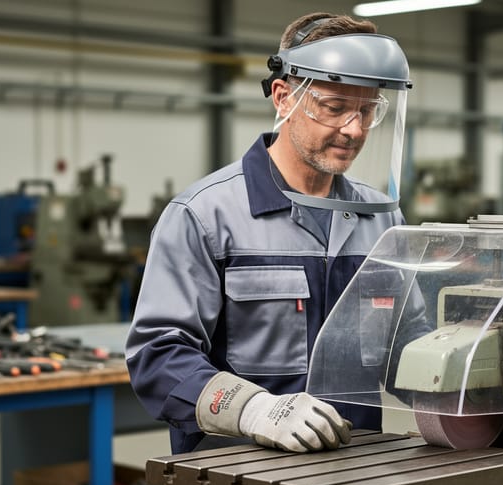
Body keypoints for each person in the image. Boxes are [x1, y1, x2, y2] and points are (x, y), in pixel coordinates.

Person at [125, 12, 416, 455]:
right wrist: (254, 410)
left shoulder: (382, 221)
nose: (354, 130)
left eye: (367, 110)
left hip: (353, 475)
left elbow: (411, 344)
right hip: (236, 479)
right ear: (284, 97)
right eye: (334, 107)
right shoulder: (204, 216)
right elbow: (157, 356)